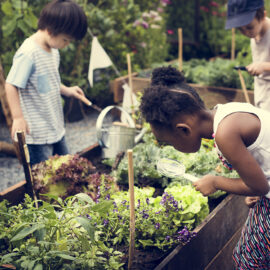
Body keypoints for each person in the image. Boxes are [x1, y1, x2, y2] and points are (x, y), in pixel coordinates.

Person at [140, 66, 270, 269]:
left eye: (169, 142)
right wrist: (255, 190)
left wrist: (217, 182)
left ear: (183, 129)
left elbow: (261, 186)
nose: (173, 148)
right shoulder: (225, 112)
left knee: (248, 258)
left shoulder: (225, 134)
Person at [5, 0, 88, 166]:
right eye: (66, 40)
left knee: (66, 167)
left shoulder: (52, 50)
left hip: (54, 126)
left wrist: (67, 90)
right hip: (36, 133)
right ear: (50, 31)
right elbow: (11, 85)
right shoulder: (29, 53)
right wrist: (18, 117)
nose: (67, 45)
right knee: (42, 178)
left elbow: (48, 83)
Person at [225, 0, 270, 110]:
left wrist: (264, 66)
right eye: (240, 29)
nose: (246, 32)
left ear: (263, 16)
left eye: (249, 27)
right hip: (262, 93)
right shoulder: (255, 33)